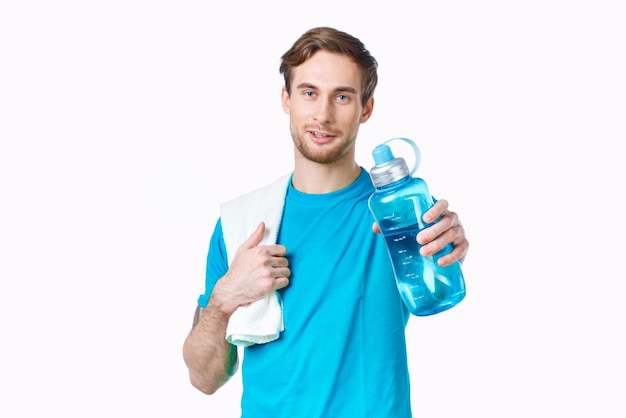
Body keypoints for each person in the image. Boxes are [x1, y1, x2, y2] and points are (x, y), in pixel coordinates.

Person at [183, 26, 469, 417]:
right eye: (309, 93)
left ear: (366, 108)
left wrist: (450, 247)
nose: (323, 114)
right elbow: (204, 378)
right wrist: (224, 297)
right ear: (286, 99)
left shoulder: (399, 213)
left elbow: (438, 283)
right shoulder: (241, 223)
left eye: (342, 96)